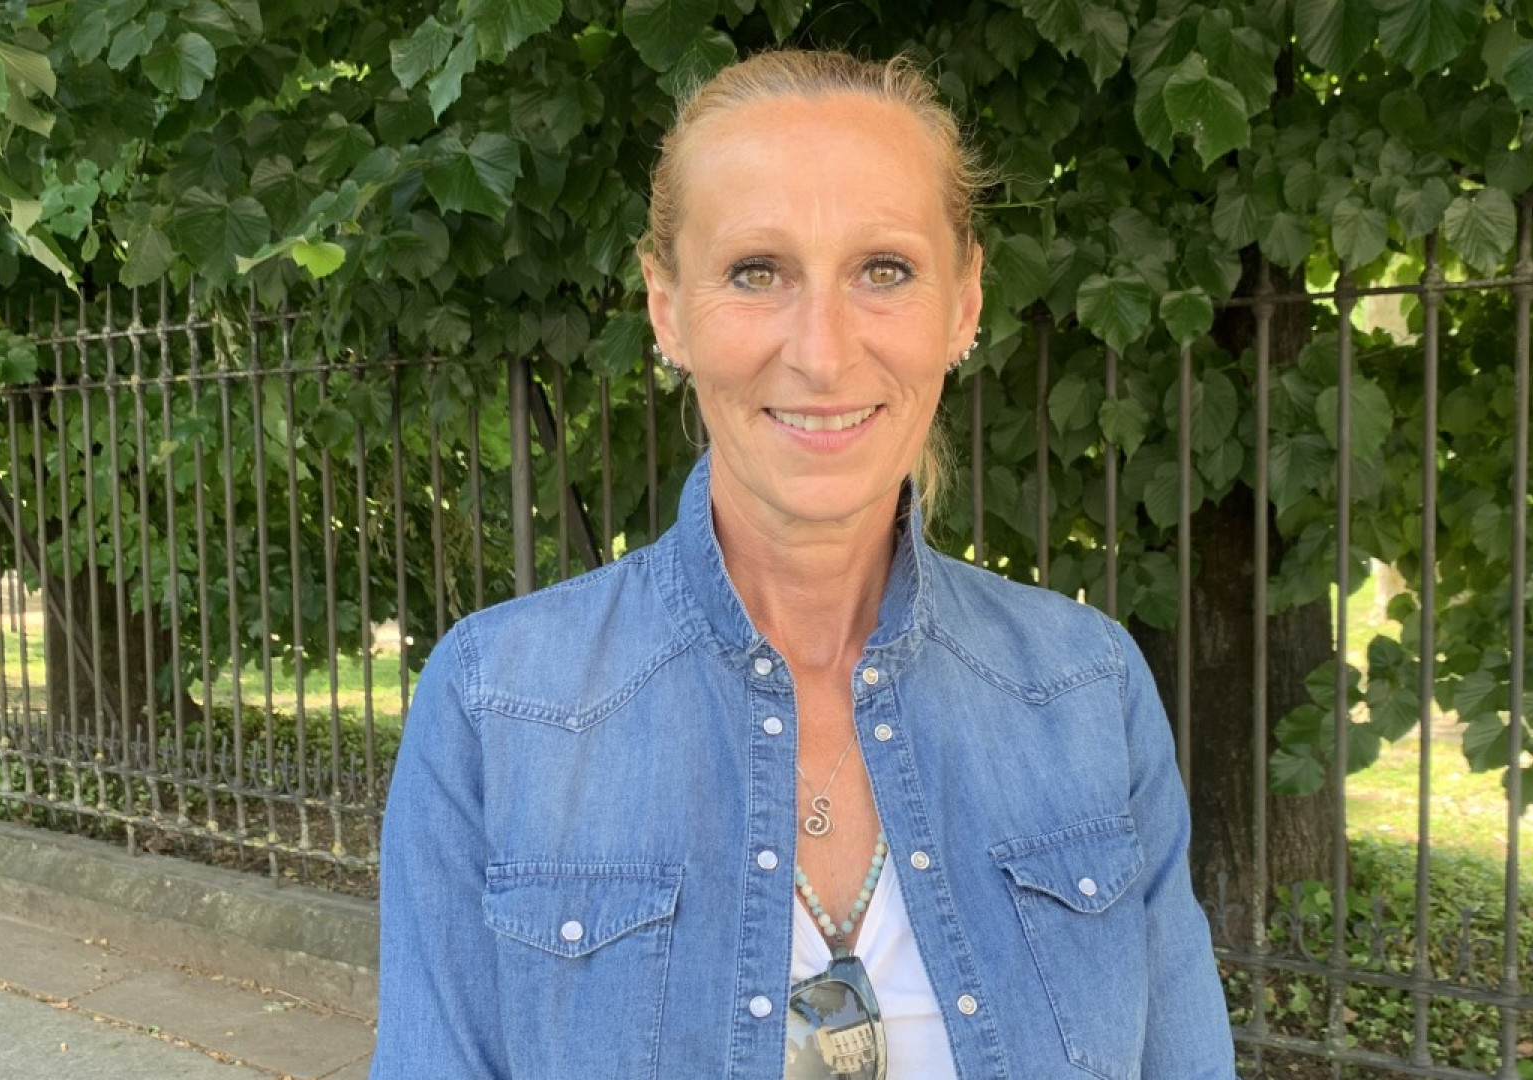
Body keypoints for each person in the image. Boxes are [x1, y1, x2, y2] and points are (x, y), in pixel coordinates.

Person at [371, 49, 1237, 1079]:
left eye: (885, 270)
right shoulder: (499, 704)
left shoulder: (1087, 690)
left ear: (964, 303)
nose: (822, 354)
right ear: (666, 306)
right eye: (756, 272)